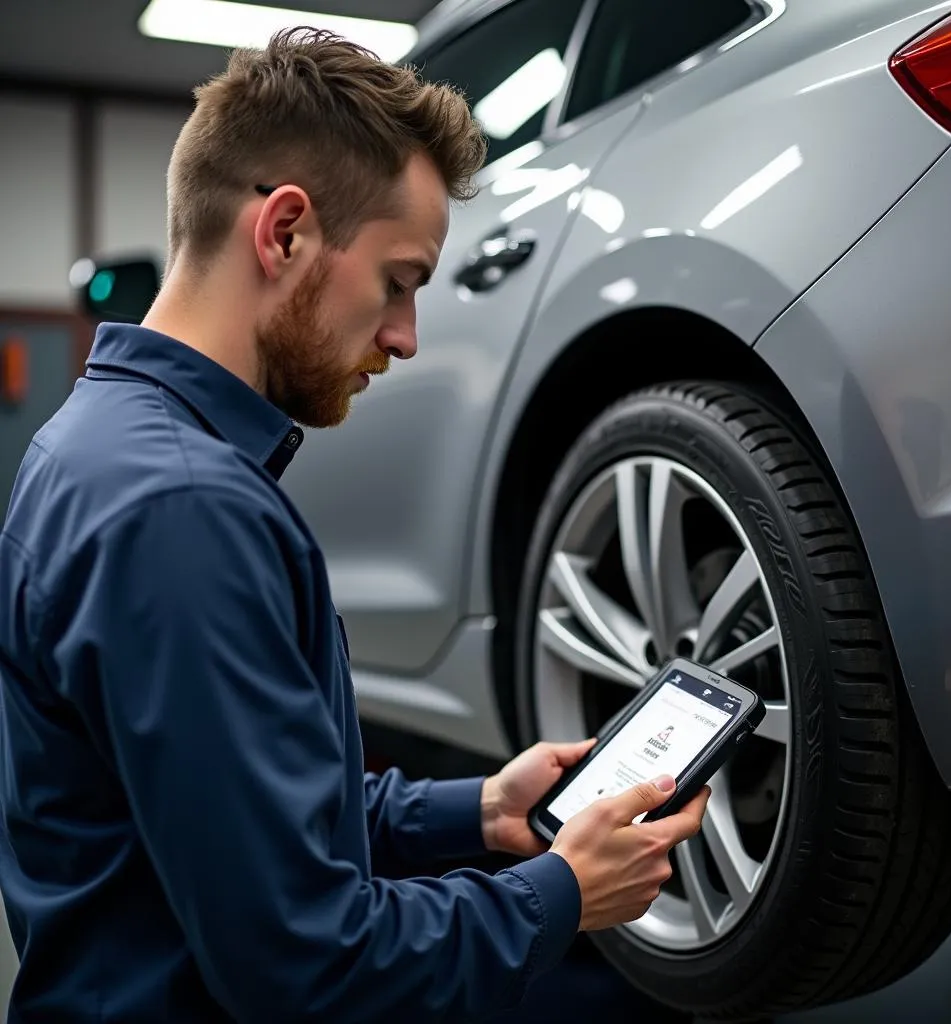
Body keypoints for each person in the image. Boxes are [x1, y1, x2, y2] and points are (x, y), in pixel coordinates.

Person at [0, 28, 709, 1023]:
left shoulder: (98, 450)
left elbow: (244, 811)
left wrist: (483, 809)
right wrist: (560, 894)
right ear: (285, 231)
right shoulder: (182, 512)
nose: (406, 337)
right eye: (399, 281)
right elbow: (308, 967)